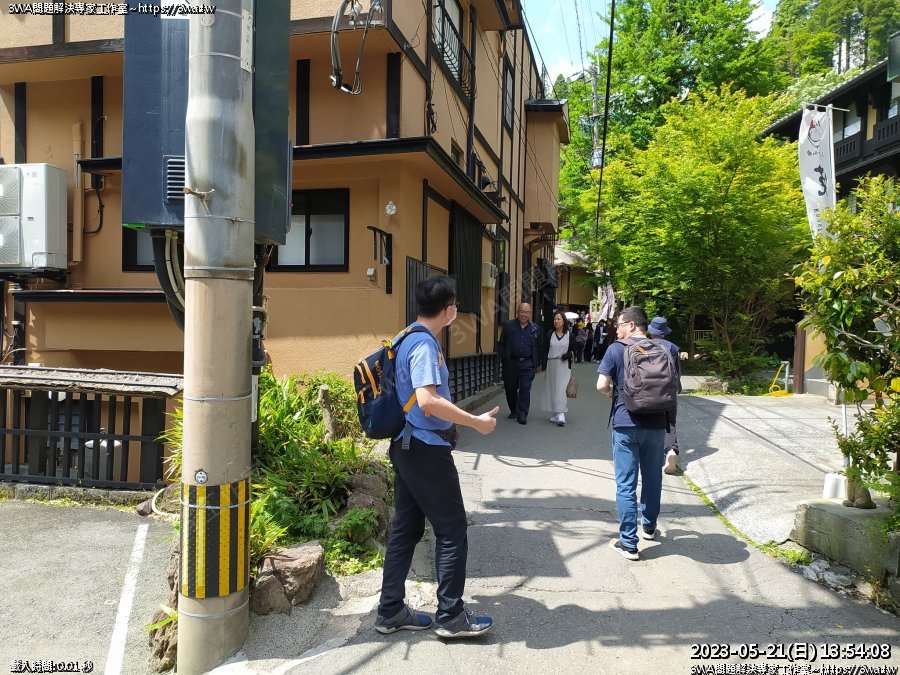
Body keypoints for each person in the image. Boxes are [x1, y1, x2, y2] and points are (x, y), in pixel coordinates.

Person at [375, 275, 499, 638]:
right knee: (452, 529)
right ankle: (451, 616)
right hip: (425, 448)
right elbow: (427, 400)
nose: (455, 310)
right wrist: (475, 422)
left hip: (406, 445)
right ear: (448, 310)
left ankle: (390, 611)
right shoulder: (425, 344)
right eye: (455, 306)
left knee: (407, 529)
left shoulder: (405, 335)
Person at [596, 306, 669, 561]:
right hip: (656, 423)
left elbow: (601, 385)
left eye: (619, 325)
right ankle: (649, 527)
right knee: (653, 478)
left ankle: (628, 543)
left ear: (631, 325)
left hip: (625, 423)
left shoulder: (616, 349)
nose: (616, 330)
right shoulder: (664, 349)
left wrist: (613, 393)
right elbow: (674, 389)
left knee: (626, 484)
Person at [648, 316, 682, 475]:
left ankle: (650, 455)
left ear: (651, 331)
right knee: (669, 422)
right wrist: (677, 388)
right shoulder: (672, 348)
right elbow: (677, 371)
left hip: (648, 391)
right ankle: (671, 450)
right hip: (669, 391)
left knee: (649, 421)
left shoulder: (643, 346)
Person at [496, 302, 541, 425]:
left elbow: (539, 346)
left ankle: (522, 414)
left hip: (527, 363)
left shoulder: (535, 328)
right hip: (511, 362)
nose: (524, 314)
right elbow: (501, 343)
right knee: (510, 388)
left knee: (525, 389)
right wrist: (504, 358)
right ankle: (514, 410)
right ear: (517, 312)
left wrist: (537, 363)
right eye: (522, 311)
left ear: (530, 314)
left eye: (527, 312)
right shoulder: (508, 325)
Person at [541, 310, 576, 426]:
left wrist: (568, 355)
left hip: (564, 365)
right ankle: (555, 412)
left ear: (563, 321)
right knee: (552, 388)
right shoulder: (549, 335)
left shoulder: (570, 335)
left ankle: (561, 413)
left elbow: (573, 350)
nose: (556, 321)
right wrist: (543, 365)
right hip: (551, 364)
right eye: (555, 319)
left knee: (561, 388)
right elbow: (545, 350)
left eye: (559, 319)